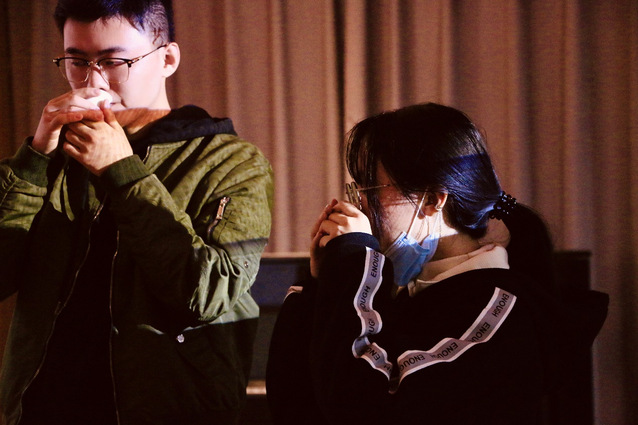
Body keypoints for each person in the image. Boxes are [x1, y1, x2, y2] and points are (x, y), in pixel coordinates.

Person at [0, 1, 273, 424]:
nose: (93, 81)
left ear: (167, 59)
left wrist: (122, 171)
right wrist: (34, 159)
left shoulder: (231, 160)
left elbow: (207, 292)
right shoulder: (50, 156)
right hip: (41, 408)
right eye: (77, 62)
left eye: (114, 62)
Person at [266, 103, 608, 424]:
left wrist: (354, 267)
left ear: (431, 200)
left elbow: (366, 408)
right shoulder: (407, 293)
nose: (359, 207)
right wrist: (320, 286)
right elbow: (295, 403)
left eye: (370, 190)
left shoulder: (499, 310)